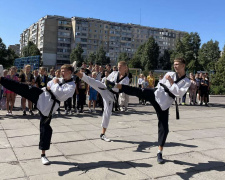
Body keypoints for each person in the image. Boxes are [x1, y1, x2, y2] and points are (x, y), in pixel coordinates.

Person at [105, 58, 191, 164]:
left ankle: (159, 152)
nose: (175, 66)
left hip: (164, 103)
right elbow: (161, 84)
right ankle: (115, 85)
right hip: (156, 93)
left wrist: (171, 83)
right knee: (139, 91)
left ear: (183, 65)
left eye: (177, 64)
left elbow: (179, 93)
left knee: (164, 127)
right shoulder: (169, 73)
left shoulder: (187, 81)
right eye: (174, 64)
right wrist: (167, 86)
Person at [0, 64, 75, 165]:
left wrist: (55, 85)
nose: (61, 73)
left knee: (45, 129)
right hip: (41, 94)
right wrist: (53, 86)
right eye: (61, 71)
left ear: (69, 72)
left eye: (63, 71)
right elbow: (48, 85)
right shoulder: (59, 80)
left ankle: (43, 155)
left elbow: (60, 94)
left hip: (49, 106)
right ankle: (1, 79)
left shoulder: (71, 85)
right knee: (22, 87)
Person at [75, 61, 129, 142]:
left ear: (125, 67)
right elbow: (107, 81)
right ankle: (75, 71)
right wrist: (111, 84)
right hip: (104, 87)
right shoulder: (114, 73)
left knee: (107, 112)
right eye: (118, 66)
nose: (118, 67)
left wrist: (113, 85)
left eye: (120, 66)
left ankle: (102, 134)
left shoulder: (126, 79)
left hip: (111, 95)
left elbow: (120, 88)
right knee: (91, 81)